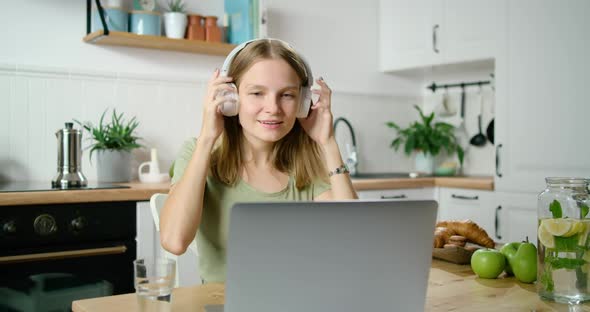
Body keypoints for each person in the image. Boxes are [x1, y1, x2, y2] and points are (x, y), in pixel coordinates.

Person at [159, 38, 358, 283]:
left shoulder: (307, 162)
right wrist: (207, 138)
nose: (272, 108)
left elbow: (352, 241)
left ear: (303, 103)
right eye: (257, 93)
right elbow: (174, 241)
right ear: (230, 99)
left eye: (287, 95)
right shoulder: (198, 153)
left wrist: (328, 142)